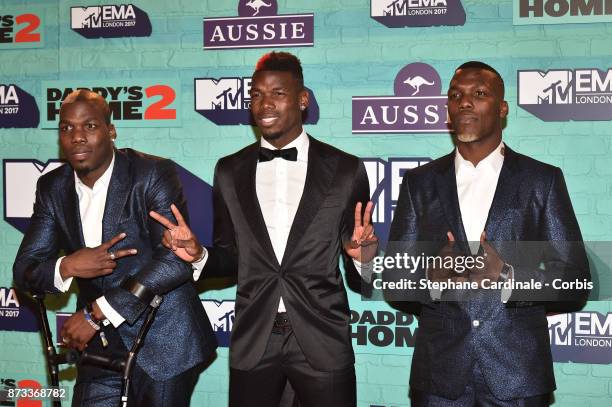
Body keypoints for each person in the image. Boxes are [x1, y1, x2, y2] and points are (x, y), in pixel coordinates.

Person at [150, 51, 377, 407]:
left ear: (303, 100)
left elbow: (357, 271)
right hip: (255, 338)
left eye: (277, 93)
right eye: (256, 94)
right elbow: (230, 257)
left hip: (323, 337)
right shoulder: (229, 170)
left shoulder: (346, 170)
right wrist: (198, 255)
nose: (264, 103)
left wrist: (364, 259)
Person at [385, 61, 590, 406]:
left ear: (502, 108)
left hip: (518, 375)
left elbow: (575, 279)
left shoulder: (542, 180)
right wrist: (430, 278)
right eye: (455, 95)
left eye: (479, 93)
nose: (465, 102)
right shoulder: (419, 183)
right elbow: (394, 279)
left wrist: (507, 275)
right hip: (439, 377)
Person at [13, 90, 217, 406]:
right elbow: (25, 270)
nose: (77, 137)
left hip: (165, 338)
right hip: (101, 345)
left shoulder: (150, 174)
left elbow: (176, 259)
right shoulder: (53, 188)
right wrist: (68, 265)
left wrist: (98, 312)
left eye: (89, 126)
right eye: (66, 128)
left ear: (111, 131)